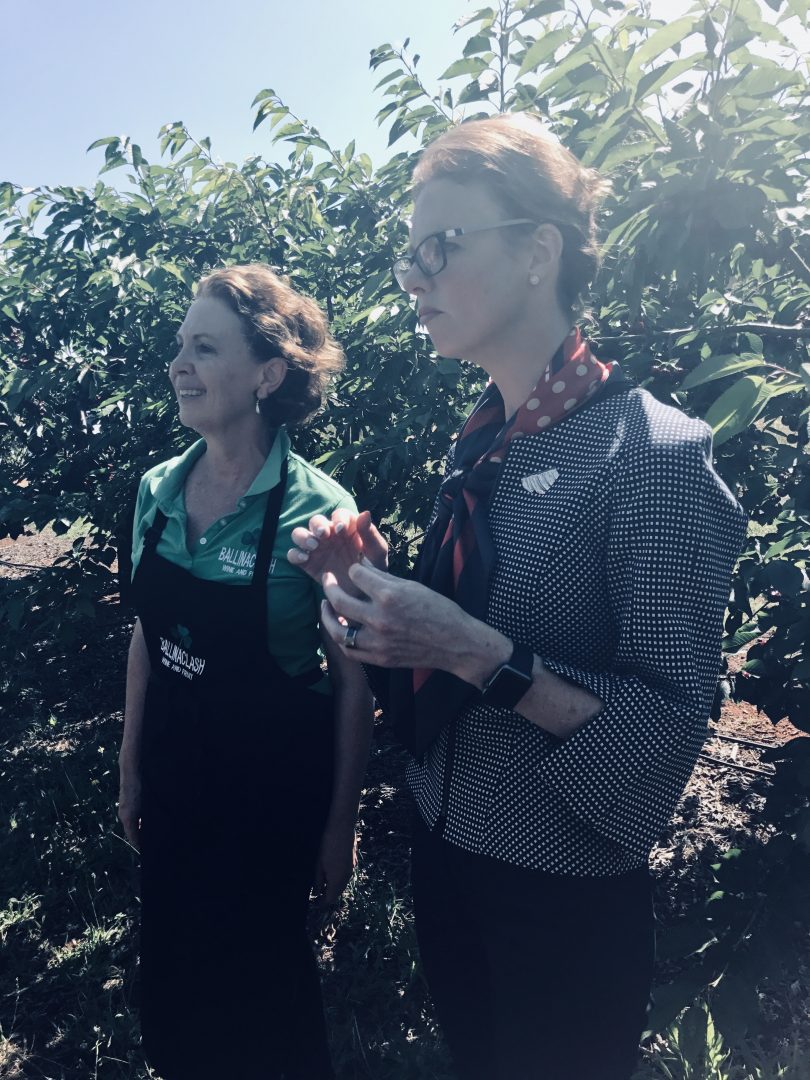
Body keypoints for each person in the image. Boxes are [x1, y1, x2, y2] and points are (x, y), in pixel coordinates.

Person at [288, 114, 747, 1080]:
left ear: (538, 251)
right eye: (409, 252)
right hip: (448, 854)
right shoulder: (485, 442)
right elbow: (455, 637)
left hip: (562, 901)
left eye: (439, 248)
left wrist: (470, 650)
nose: (412, 277)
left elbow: (656, 755)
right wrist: (367, 593)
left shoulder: (654, 458)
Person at [117, 263, 373, 1080]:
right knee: (176, 986)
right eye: (177, 346)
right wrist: (130, 768)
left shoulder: (320, 512)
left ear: (267, 374)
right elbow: (147, 637)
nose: (177, 364)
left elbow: (354, 683)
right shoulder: (158, 491)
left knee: (264, 1003)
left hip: (269, 802)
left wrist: (341, 825)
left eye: (203, 347)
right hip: (175, 778)